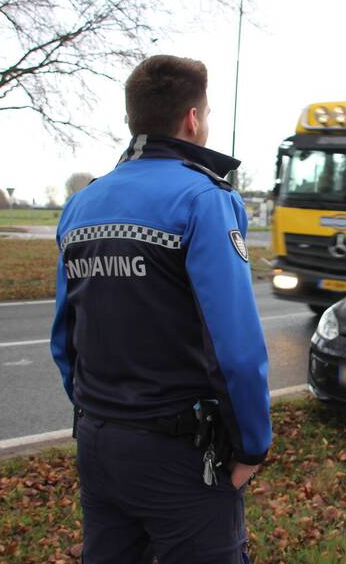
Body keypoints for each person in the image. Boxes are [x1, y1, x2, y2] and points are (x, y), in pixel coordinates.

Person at [50, 55, 271, 563]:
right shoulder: (204, 199)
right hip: (178, 452)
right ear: (192, 118)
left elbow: (65, 338)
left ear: (135, 118)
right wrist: (252, 447)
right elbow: (235, 347)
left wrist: (97, 414)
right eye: (207, 112)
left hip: (98, 439)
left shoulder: (83, 204)